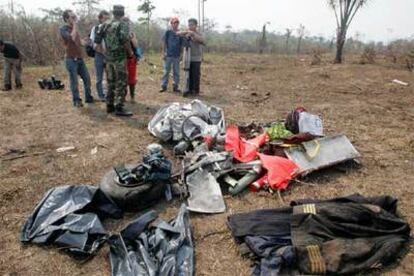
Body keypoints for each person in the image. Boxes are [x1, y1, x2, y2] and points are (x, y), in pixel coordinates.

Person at [96, 5, 133, 116]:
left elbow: (97, 42)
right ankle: (119, 107)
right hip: (120, 58)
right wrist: (130, 53)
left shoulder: (104, 25)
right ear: (122, 13)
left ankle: (109, 105)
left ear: (113, 13)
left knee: (110, 82)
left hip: (109, 58)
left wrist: (104, 53)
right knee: (121, 82)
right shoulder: (123, 24)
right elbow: (125, 40)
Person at [60, 10, 94, 107]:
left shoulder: (75, 29)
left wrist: (87, 42)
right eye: (72, 17)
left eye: (74, 16)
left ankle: (88, 97)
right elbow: (71, 38)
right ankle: (76, 100)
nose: (74, 18)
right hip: (70, 59)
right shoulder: (63, 29)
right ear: (66, 19)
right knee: (74, 81)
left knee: (87, 78)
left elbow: (79, 43)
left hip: (79, 59)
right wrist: (75, 25)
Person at [178, 18, 204, 97]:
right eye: (189, 25)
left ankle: (195, 90)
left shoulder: (199, 33)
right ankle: (188, 89)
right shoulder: (187, 33)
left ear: (196, 25)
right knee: (187, 74)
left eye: (192, 25)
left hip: (196, 58)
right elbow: (177, 33)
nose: (190, 26)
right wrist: (187, 32)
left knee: (195, 75)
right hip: (187, 58)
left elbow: (202, 40)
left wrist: (193, 34)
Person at [90, 10, 110, 102]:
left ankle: (109, 94)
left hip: (109, 55)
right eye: (105, 18)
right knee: (99, 77)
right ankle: (101, 95)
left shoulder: (110, 28)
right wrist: (103, 53)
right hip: (99, 55)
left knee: (109, 76)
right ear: (100, 19)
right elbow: (93, 44)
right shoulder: (95, 29)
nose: (106, 20)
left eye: (108, 18)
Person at [159, 17, 184, 93]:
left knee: (176, 72)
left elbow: (182, 45)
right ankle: (163, 86)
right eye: (174, 23)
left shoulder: (180, 33)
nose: (175, 24)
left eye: (177, 23)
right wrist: (163, 53)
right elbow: (164, 43)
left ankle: (175, 86)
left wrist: (181, 54)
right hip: (168, 55)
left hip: (176, 56)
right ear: (171, 24)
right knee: (166, 71)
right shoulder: (168, 32)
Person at [124, 18, 140, 102]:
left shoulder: (131, 34)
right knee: (123, 79)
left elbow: (136, 45)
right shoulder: (119, 33)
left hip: (131, 59)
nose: (127, 25)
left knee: (132, 79)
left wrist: (131, 38)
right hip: (122, 59)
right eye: (125, 23)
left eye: (128, 24)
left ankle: (132, 97)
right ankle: (123, 97)